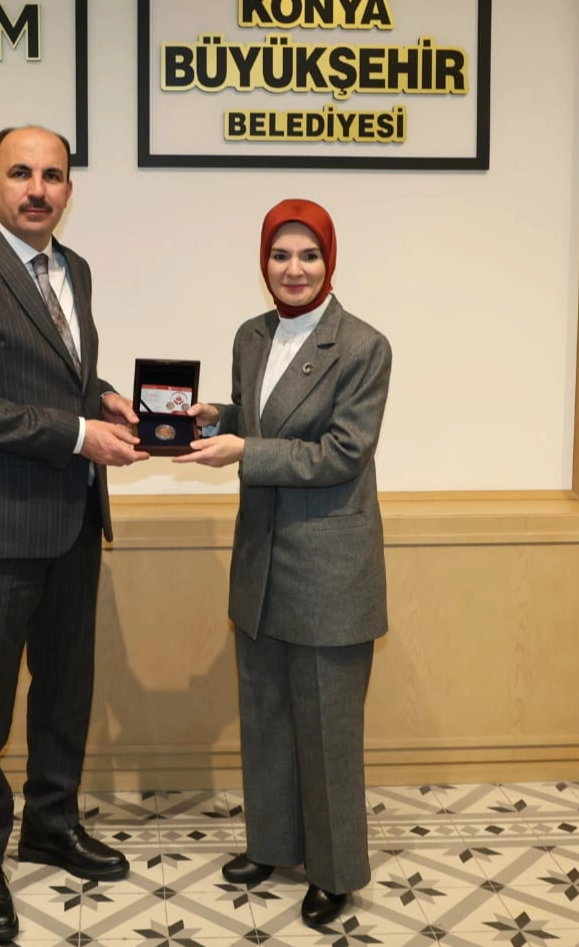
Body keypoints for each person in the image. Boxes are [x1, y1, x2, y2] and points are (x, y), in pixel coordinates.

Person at [0, 125, 149, 943]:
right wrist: (82, 434)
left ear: (68, 190)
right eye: (20, 173)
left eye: (52, 175)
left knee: (65, 688)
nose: (37, 188)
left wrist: (104, 396)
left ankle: (52, 823)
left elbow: (58, 375)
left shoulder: (72, 269)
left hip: (73, 518)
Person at [176, 198, 392, 928]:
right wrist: (218, 417)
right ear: (263, 261)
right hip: (262, 555)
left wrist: (245, 451)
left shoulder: (363, 346)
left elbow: (341, 453)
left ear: (330, 261)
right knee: (266, 712)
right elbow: (264, 419)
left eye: (309, 255)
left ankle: (334, 871)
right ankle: (271, 843)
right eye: (280, 255)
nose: (294, 269)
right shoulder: (252, 335)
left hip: (328, 564)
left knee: (327, 729)